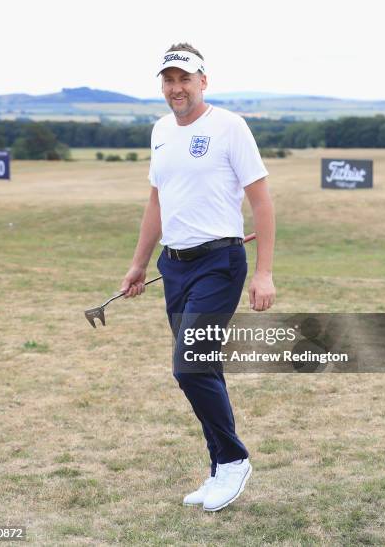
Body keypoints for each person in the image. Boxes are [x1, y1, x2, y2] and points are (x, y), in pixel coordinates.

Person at [120, 43, 276, 512]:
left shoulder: (230, 127)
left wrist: (264, 273)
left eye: (184, 79)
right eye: (168, 80)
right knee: (202, 367)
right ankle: (218, 468)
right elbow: (156, 202)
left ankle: (233, 460)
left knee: (188, 363)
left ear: (203, 81)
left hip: (219, 264)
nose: (176, 88)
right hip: (175, 266)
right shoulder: (161, 130)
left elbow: (262, 202)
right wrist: (139, 263)